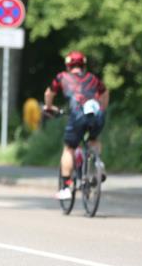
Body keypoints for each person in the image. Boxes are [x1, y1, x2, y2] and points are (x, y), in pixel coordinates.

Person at [43, 50, 109, 200]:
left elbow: (49, 93)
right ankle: (98, 164)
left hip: (78, 112)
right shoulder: (92, 78)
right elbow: (104, 93)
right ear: (84, 65)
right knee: (93, 139)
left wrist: (48, 107)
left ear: (68, 65)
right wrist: (103, 109)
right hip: (96, 112)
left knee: (69, 148)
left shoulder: (62, 77)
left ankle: (66, 187)